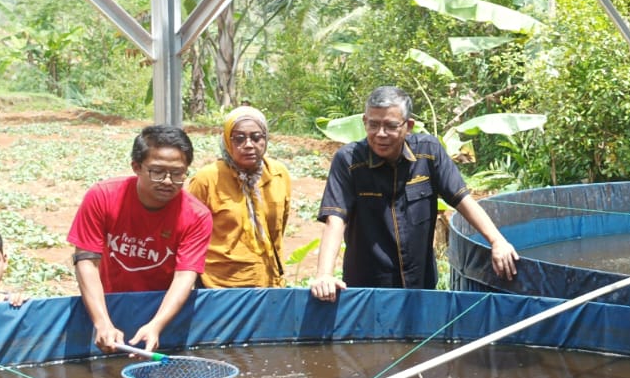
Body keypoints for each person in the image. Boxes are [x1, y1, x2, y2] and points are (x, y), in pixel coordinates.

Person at [310, 85, 518, 300]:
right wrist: (324, 275)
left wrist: (497, 241)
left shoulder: (428, 153)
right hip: (368, 289)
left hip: (420, 285)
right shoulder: (349, 161)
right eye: (373, 125)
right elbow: (336, 217)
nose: (380, 134)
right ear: (364, 121)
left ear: (408, 126)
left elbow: (461, 198)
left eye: (390, 126)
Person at [67, 125, 213, 354]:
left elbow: (185, 275)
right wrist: (102, 321)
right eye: (157, 171)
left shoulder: (197, 216)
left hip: (161, 305)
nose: (167, 181)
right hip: (109, 300)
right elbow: (86, 260)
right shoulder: (102, 196)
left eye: (177, 174)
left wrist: (157, 325)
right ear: (136, 167)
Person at [186, 105, 293, 288]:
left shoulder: (278, 174)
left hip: (269, 283)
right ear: (227, 141)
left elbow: (278, 228)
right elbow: (188, 237)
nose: (249, 145)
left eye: (256, 137)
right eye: (239, 139)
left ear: (265, 139)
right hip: (220, 287)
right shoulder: (207, 179)